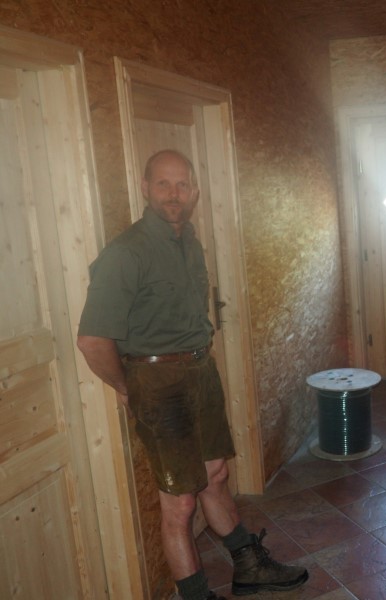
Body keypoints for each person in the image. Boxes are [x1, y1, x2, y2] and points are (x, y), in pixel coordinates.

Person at [77, 149, 308, 600]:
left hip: (201, 372)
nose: (173, 194)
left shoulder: (190, 242)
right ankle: (196, 595)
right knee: (180, 503)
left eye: (182, 184)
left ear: (195, 192)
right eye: (163, 184)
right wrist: (125, 386)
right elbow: (92, 340)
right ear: (145, 188)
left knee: (216, 475)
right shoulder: (126, 253)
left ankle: (249, 568)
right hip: (158, 385)